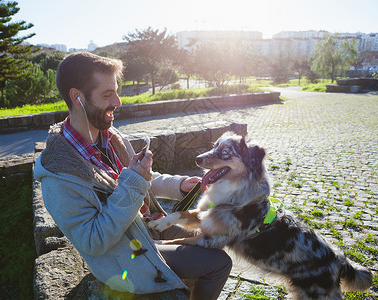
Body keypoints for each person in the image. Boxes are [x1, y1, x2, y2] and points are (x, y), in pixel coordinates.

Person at [34, 52, 232, 299]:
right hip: (124, 253)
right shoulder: (59, 174)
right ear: (78, 98)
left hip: (148, 227)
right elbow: (93, 241)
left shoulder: (109, 136)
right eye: (107, 95)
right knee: (219, 264)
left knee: (216, 237)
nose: (118, 101)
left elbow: (143, 180)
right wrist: (133, 182)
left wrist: (178, 185)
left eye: (116, 91)